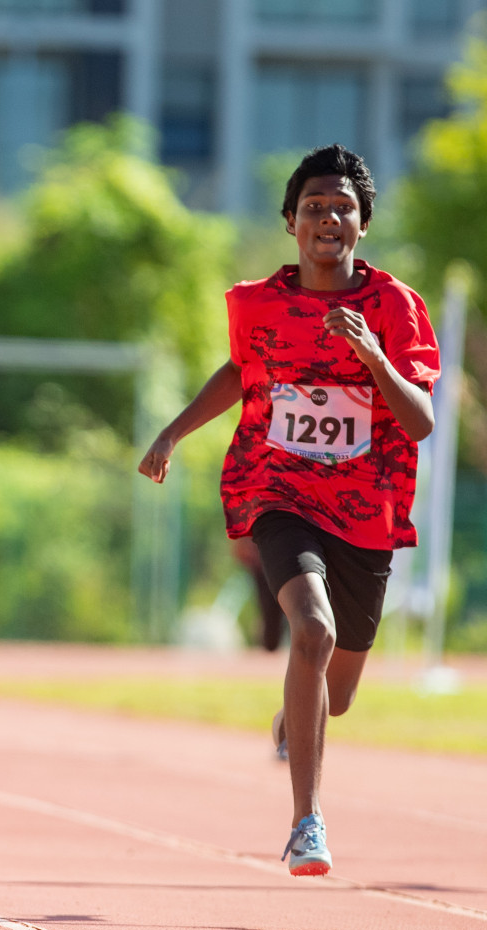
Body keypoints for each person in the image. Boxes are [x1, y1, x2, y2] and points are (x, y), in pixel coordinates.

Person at [139, 144, 438, 876]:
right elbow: (242, 371)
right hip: (278, 493)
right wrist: (174, 430)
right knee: (312, 630)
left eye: (343, 207)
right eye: (313, 207)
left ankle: (295, 716)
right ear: (290, 224)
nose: (328, 217)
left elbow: (423, 419)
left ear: (362, 224)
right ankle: (307, 822)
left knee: (333, 697)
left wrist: (373, 356)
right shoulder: (258, 304)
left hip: (366, 510)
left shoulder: (394, 308)